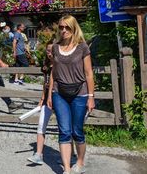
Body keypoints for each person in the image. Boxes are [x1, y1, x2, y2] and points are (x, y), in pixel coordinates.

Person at [47, 15, 95, 174]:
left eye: (67, 27)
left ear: (74, 28)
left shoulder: (82, 47)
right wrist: (49, 95)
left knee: (77, 131)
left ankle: (80, 162)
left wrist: (91, 96)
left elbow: (89, 73)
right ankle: (66, 170)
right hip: (59, 93)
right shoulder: (55, 47)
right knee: (64, 131)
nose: (64, 30)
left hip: (79, 93)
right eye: (61, 27)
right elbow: (53, 72)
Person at [27, 43, 55, 165]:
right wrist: (42, 97)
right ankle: (38, 154)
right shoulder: (46, 66)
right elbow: (45, 82)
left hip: (59, 98)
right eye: (48, 51)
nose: (49, 53)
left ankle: (71, 155)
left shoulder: (62, 64)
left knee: (65, 128)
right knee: (41, 125)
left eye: (51, 51)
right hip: (46, 99)